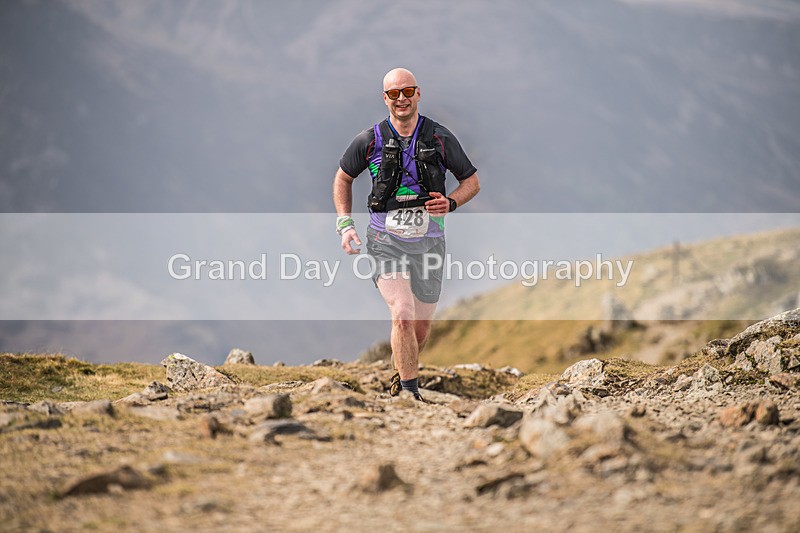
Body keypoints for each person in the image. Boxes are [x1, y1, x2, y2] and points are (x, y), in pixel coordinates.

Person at [333, 67, 480, 402]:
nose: (402, 99)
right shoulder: (369, 140)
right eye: (394, 94)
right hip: (385, 240)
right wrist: (345, 224)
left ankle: (402, 372)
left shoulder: (440, 137)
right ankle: (409, 394)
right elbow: (342, 178)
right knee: (402, 312)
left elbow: (471, 181)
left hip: (430, 242)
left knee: (420, 328)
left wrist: (452, 202)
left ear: (418, 93)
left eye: (408, 91)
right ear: (385, 99)